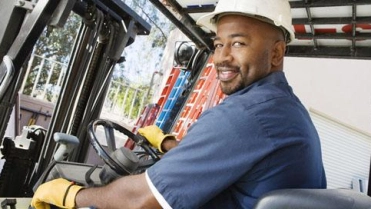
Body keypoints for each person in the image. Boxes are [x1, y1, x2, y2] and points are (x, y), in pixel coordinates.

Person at [31, 0, 327, 208]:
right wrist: (167, 145)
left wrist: (72, 195)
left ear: (276, 54)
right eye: (218, 44)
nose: (221, 57)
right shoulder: (280, 109)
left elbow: (140, 201)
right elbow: (232, 158)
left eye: (238, 43)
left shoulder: (247, 115)